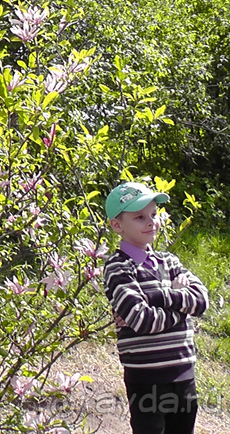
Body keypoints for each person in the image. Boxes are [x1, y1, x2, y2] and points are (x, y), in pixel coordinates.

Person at [103, 181, 209, 434]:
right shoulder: (118, 267)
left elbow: (201, 301)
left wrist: (158, 298)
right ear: (117, 225)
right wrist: (180, 305)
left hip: (183, 372)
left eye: (153, 214)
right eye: (139, 217)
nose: (151, 222)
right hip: (146, 378)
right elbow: (143, 320)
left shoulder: (169, 261)